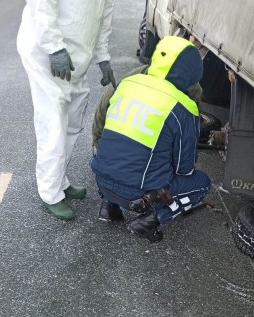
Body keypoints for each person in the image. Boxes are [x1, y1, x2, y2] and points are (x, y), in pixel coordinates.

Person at [90, 36, 211, 242]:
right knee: (201, 183)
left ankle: (108, 207)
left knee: (116, 148)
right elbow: (185, 169)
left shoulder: (127, 83)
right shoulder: (183, 105)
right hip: (137, 194)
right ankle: (149, 220)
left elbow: (99, 127)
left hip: (100, 178)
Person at [17, 0, 116, 221]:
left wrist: (103, 57)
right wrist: (53, 47)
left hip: (76, 58)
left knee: (72, 123)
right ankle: (50, 193)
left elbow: (104, 13)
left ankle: (59, 179)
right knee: (54, 123)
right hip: (47, 55)